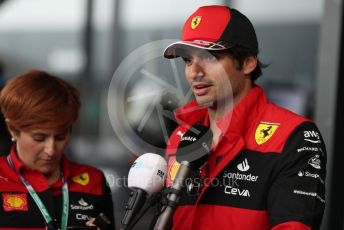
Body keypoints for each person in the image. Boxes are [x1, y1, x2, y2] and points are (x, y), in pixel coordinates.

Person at [163, 5, 326, 230]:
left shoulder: (294, 137)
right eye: (188, 60)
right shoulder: (182, 136)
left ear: (249, 62)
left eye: (210, 57)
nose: (194, 72)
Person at [0, 70, 115, 230]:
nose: (51, 150)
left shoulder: (94, 180)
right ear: (12, 129)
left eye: (60, 137)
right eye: (39, 138)